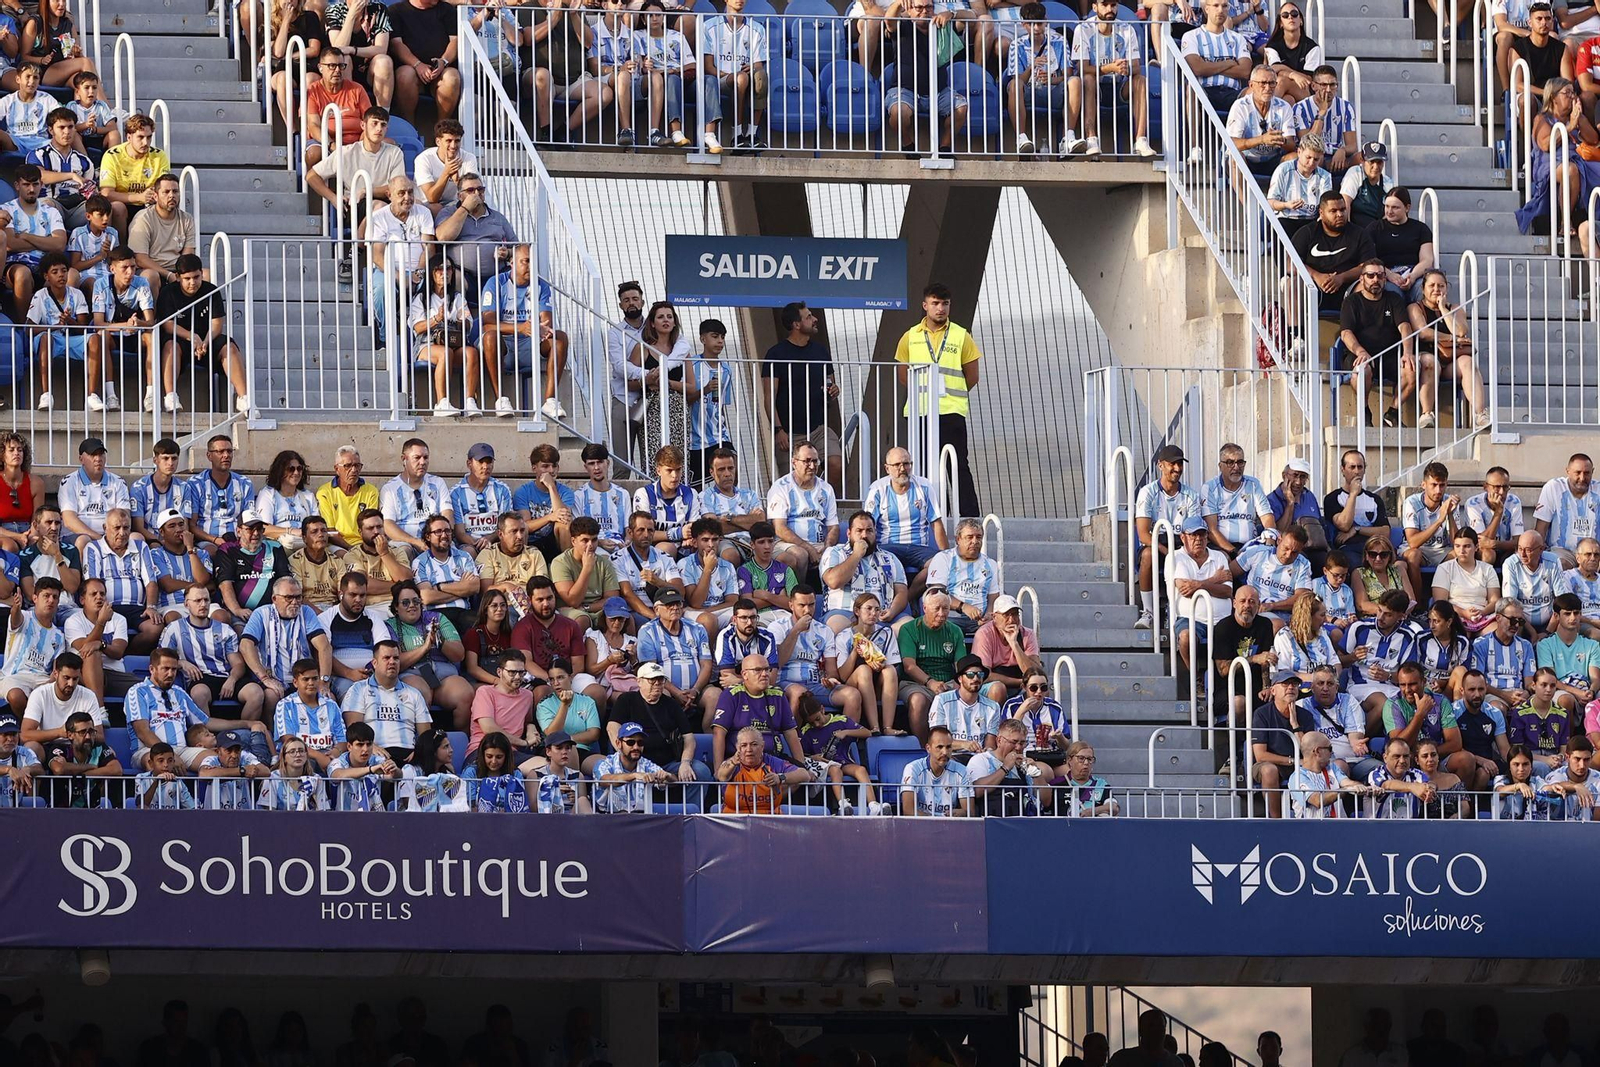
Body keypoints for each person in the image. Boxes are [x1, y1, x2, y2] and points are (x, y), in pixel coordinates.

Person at [896, 284, 983, 518]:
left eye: (945, 303)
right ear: (925, 305)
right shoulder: (910, 337)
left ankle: (968, 516)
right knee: (925, 467)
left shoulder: (961, 335)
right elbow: (903, 375)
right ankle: (935, 514)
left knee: (957, 465)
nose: (940, 308)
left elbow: (971, 376)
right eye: (935, 303)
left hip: (951, 410)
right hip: (920, 412)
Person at [127, 647, 267, 771]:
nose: (170, 674)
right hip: (149, 750)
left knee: (218, 760)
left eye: (174, 669)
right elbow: (142, 731)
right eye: (165, 669)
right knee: (160, 765)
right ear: (152, 669)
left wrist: (246, 723)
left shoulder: (179, 692)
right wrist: (169, 755)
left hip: (182, 751)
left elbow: (205, 722)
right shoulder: (138, 692)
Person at [155, 253, 250, 413]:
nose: (193, 282)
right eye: (187, 278)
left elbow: (217, 323)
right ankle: (170, 396)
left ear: (202, 274)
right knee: (170, 345)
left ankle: (244, 398)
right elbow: (168, 325)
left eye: (196, 277)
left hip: (207, 341)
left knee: (229, 346)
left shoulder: (211, 290)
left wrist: (205, 341)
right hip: (181, 341)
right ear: (178, 277)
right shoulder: (168, 292)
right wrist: (191, 336)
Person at [159, 584, 262, 721]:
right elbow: (160, 658)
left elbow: (237, 663)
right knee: (199, 693)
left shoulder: (225, 630)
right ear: (186, 604)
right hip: (200, 678)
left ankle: (246, 734)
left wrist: (232, 679)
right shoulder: (174, 629)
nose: (203, 604)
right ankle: (207, 737)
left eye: (206, 600)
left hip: (226, 676)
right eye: (197, 601)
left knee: (256, 693)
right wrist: (181, 663)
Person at [1341, 257, 1419, 429]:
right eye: (1370, 275)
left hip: (1390, 354)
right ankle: (1365, 412)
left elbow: (1405, 327)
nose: (1375, 279)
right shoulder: (1352, 302)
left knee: (1412, 368)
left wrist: (1407, 352)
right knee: (1362, 369)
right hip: (1360, 354)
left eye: (1380, 276)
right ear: (1362, 279)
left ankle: (1393, 413)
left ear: (1385, 278)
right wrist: (1360, 351)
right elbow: (1346, 333)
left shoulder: (1394, 299)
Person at [386, 578, 473, 729]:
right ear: (396, 607)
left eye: (416, 601)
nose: (412, 606)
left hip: (443, 673)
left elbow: (459, 655)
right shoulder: (389, 625)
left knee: (465, 694)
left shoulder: (437, 618)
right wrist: (424, 648)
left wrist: (439, 642)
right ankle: (424, 744)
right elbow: (395, 661)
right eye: (405, 603)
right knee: (419, 694)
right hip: (412, 673)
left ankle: (461, 743)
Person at [1071, 0, 1155, 156]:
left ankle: (1141, 140)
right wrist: (1109, 68)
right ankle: (1091, 139)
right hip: (1095, 87)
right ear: (1094, 7)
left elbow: (1136, 65)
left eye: (1113, 5)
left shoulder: (1126, 29)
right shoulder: (1083, 29)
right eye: (1105, 4)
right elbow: (1082, 68)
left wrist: (1126, 68)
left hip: (1119, 86)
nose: (1110, 9)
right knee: (1088, 78)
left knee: (1141, 80)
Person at [239, 577, 333, 715]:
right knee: (272, 696)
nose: (295, 602)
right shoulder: (261, 613)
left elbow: (324, 646)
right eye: (289, 598)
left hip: (304, 678)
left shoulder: (306, 612)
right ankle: (273, 735)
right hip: (273, 676)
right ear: (274, 599)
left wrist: (324, 682)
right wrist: (265, 678)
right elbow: (245, 645)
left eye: (298, 597)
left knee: (328, 698)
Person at [1132, 445, 1202, 629]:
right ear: (1160, 465)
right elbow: (1143, 534)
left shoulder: (1191, 495)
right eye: (1172, 464)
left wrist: (1180, 551)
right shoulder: (1147, 492)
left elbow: (1194, 530)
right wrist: (1168, 551)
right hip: (1157, 542)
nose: (1177, 468)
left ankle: (1179, 611)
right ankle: (1148, 612)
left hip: (1182, 542)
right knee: (1148, 556)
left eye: (1180, 463)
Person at [863, 447, 948, 589]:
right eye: (897, 465)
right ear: (887, 468)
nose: (902, 468)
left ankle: (908, 598)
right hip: (888, 546)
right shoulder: (877, 490)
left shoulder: (925, 486)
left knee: (940, 565)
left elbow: (936, 523)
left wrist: (946, 555)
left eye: (906, 464)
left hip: (918, 547)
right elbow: (868, 525)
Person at [337, 639, 429, 766]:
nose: (392, 662)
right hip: (374, 753)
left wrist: (419, 751)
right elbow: (354, 729)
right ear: (374, 663)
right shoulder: (359, 689)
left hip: (408, 755)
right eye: (386, 658)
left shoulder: (414, 694)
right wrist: (371, 747)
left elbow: (426, 736)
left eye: (396, 658)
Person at [1006, 5, 1081, 157]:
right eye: (1031, 24)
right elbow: (1018, 80)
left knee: (1075, 81)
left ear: (1046, 22)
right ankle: (1021, 139)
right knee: (1013, 85)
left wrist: (1052, 80)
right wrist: (1031, 66)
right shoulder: (1016, 45)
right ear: (1023, 25)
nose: (1036, 29)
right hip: (1029, 92)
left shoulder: (1059, 41)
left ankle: (1068, 138)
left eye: (1039, 23)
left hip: (1053, 92)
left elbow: (1068, 74)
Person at [696, 0, 770, 152]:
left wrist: (753, 68)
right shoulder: (709, 26)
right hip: (720, 79)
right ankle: (736, 135)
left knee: (761, 76)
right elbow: (708, 67)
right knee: (741, 78)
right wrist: (730, 74)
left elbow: (758, 65)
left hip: (745, 77)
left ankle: (751, 135)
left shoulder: (757, 29)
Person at [820, 509, 908, 632]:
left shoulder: (890, 558)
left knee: (908, 627)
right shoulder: (835, 553)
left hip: (881, 613)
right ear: (849, 533)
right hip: (845, 612)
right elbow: (833, 581)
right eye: (859, 531)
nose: (864, 535)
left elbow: (902, 592)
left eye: (869, 530)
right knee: (836, 628)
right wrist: (856, 555)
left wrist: (892, 611)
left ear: (875, 533)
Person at [1290, 190, 1374, 318]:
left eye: (1343, 210)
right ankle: (1295, 334)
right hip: (1314, 287)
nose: (1340, 214)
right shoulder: (1307, 233)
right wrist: (1316, 276)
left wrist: (1341, 278)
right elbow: (1290, 263)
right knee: (1293, 284)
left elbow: (1367, 266)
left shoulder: (1360, 234)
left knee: (1369, 283)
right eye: (1333, 211)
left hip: (1348, 287)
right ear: (1321, 213)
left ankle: (1365, 335)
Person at [709, 654, 804, 767]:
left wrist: (801, 766)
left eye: (767, 669)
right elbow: (718, 733)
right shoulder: (731, 695)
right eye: (758, 670)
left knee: (800, 776)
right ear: (745, 675)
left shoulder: (778, 695)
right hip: (741, 761)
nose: (764, 674)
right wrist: (719, 770)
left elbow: (791, 733)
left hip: (774, 759)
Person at [798, 691, 882, 813]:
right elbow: (801, 755)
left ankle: (874, 805)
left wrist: (846, 732)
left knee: (861, 770)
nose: (817, 724)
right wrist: (814, 757)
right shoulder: (806, 731)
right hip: (826, 766)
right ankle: (843, 804)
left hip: (844, 763)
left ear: (822, 710)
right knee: (835, 770)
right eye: (812, 722)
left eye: (817, 719)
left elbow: (867, 733)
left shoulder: (841, 720)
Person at [510, 575, 587, 702]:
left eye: (549, 598)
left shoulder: (571, 625)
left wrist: (565, 680)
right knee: (543, 692)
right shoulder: (522, 627)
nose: (546, 604)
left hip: (570, 677)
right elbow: (526, 662)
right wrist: (553, 681)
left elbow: (578, 664)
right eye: (540, 600)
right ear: (530, 600)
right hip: (540, 678)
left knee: (597, 692)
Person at [632, 300, 692, 460]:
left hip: (677, 408)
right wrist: (647, 380)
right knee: (653, 456)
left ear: (674, 322)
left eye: (669, 317)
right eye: (660, 317)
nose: (666, 320)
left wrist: (668, 383)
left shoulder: (682, 350)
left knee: (678, 456)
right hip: (651, 408)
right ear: (652, 323)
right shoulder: (642, 348)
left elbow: (692, 387)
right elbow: (628, 382)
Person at [767, 441, 840, 574]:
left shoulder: (826, 488)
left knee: (840, 556)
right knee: (800, 555)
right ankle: (798, 594)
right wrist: (808, 548)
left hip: (820, 544)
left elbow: (833, 526)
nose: (812, 466)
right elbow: (779, 528)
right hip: (786, 544)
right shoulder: (781, 487)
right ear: (794, 462)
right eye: (807, 461)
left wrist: (828, 547)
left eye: (815, 461)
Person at [213, 509, 292, 625]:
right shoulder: (228, 550)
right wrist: (237, 610)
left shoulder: (275, 547)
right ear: (239, 531)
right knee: (245, 637)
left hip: (274, 613)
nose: (256, 533)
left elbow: (285, 581)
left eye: (259, 529)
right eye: (250, 529)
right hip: (242, 615)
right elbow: (225, 585)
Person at [1211, 585, 1276, 725]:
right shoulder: (1223, 627)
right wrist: (1253, 659)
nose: (1247, 605)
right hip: (1228, 689)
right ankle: (1236, 744)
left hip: (1256, 687)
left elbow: (1265, 659)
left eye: (1252, 602)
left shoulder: (1265, 624)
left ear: (1258, 605)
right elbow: (1224, 670)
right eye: (1243, 601)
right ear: (1234, 603)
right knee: (1240, 702)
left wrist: (1266, 688)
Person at [97, 113, 170, 237]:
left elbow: (164, 187)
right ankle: (121, 251)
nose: (145, 142)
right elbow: (106, 193)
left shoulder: (159, 155)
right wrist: (139, 197)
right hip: (124, 204)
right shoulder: (112, 155)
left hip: (149, 205)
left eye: (149, 137)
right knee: (117, 208)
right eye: (140, 137)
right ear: (129, 137)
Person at [18, 651, 101, 760]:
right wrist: (59, 732)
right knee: (31, 747)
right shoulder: (40, 694)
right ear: (55, 674)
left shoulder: (88, 695)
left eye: (75, 679)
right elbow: (25, 735)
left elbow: (100, 736)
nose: (71, 684)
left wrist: (78, 735)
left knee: (109, 752)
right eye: (66, 678)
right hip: (46, 746)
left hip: (78, 746)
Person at [379, 438, 452, 560]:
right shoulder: (390, 489)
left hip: (435, 538)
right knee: (404, 550)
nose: (422, 462)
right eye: (417, 458)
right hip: (405, 543)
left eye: (426, 457)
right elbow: (387, 524)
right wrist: (414, 541)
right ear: (404, 459)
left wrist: (440, 537)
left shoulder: (438, 483)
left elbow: (448, 514)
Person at [716, 723, 814, 813]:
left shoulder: (771, 761)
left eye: (754, 744)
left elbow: (804, 774)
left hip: (769, 819)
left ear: (762, 746)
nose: (749, 749)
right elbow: (721, 777)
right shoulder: (733, 762)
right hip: (734, 819)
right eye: (744, 745)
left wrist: (780, 778)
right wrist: (733, 763)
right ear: (738, 748)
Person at [127, 173, 195, 302]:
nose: (171, 196)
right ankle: (154, 321)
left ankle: (197, 321)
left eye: (175, 191)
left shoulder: (187, 219)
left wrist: (182, 274)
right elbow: (140, 259)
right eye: (166, 192)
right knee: (150, 276)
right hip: (150, 269)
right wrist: (168, 274)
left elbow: (188, 256)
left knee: (205, 274)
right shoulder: (143, 219)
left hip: (177, 270)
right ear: (155, 196)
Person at [411, 513, 480, 634]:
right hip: (436, 614)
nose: (444, 535)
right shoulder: (420, 562)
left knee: (476, 629)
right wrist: (462, 590)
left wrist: (439, 587)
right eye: (438, 531)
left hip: (464, 612)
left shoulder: (464, 557)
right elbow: (426, 597)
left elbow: (474, 587)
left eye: (447, 531)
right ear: (428, 537)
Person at [1227, 66, 1297, 187]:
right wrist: (1262, 139)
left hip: (1274, 158)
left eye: (1272, 83)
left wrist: (1280, 140)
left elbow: (1291, 144)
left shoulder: (1284, 106)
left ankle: (1281, 202)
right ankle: (1245, 205)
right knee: (1235, 158)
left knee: (1295, 158)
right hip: (1248, 158)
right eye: (1263, 83)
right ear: (1251, 85)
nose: (1268, 88)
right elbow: (1232, 143)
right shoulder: (1240, 106)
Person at [1179, 0, 1252, 114]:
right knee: (1191, 90)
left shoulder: (1238, 38)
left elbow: (1245, 71)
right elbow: (1198, 69)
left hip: (1232, 91)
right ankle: (1194, 132)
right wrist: (1229, 63)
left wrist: (1208, 66)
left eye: (1224, 6)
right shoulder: (1191, 36)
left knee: (1254, 91)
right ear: (1206, 9)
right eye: (1216, 6)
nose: (1220, 10)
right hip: (1204, 91)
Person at [468, 645, 538, 763]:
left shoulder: (527, 695)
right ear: (499, 672)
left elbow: (528, 721)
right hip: (483, 750)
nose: (517, 677)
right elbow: (489, 729)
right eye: (512, 672)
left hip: (511, 753)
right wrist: (524, 743)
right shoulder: (485, 692)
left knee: (544, 768)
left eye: (521, 673)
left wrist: (531, 728)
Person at [534, 657, 605, 771]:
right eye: (552, 679)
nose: (556, 683)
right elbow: (552, 734)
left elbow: (593, 734)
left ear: (571, 677)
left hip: (583, 750)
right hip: (554, 752)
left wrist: (568, 740)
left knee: (606, 766)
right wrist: (564, 705)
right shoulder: (544, 705)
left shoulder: (587, 701)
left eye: (560, 677)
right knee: (568, 753)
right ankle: (573, 787)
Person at [550, 515, 622, 626]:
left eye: (594, 540)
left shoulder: (604, 563)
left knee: (626, 618)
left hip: (596, 608)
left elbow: (612, 599)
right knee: (582, 619)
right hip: (569, 610)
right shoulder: (560, 563)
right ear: (573, 541)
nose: (591, 545)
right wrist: (586, 569)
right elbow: (573, 601)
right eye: (585, 540)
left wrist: (587, 608)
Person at [475, 511, 546, 621]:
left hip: (532, 606)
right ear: (500, 534)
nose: (520, 536)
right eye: (514, 531)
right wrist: (505, 586)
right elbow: (485, 592)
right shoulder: (488, 554)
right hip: (503, 608)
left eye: (522, 531)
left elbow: (543, 587)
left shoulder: (534, 554)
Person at [1323, 449, 1391, 560]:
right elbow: (1344, 525)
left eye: (1360, 467)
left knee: (1399, 565)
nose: (1356, 471)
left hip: (1375, 549)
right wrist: (1353, 494)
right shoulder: (1333, 498)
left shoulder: (1374, 499)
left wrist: (1357, 529)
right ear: (1343, 470)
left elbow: (1385, 532)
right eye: (1352, 467)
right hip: (1348, 549)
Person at [593, 720, 673, 813]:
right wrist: (634, 775)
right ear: (618, 743)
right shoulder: (605, 763)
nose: (636, 747)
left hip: (638, 818)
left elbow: (673, 781)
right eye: (630, 742)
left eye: (640, 743)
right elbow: (605, 780)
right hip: (607, 818)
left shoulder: (646, 764)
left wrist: (668, 776)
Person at [1534, 453, 1598, 569]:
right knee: (1558, 565)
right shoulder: (1554, 488)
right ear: (1568, 471)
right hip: (1563, 551)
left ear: (1592, 471)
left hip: (1594, 553)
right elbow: (1541, 529)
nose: (1582, 478)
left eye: (1587, 473)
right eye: (1577, 473)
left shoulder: (1598, 490)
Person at [514, 441, 577, 559]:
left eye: (554, 466)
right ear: (534, 468)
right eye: (545, 466)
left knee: (564, 524)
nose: (551, 470)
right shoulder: (523, 492)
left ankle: (568, 565)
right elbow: (525, 525)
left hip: (555, 540)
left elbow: (564, 517)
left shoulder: (565, 492)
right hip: (531, 540)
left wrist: (551, 487)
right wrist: (550, 517)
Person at [450, 442, 513, 553]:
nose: (485, 466)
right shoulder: (456, 493)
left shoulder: (502, 490)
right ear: (469, 463)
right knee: (469, 552)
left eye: (489, 462)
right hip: (469, 544)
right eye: (480, 462)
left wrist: (489, 539)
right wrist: (478, 544)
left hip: (496, 541)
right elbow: (460, 533)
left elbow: (506, 525)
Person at [898, 725, 973, 816]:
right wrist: (936, 823)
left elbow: (971, 813)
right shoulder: (912, 769)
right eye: (939, 747)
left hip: (951, 827)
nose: (945, 752)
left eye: (948, 747)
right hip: (920, 826)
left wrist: (963, 813)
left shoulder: (962, 771)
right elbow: (908, 811)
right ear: (928, 748)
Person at [572, 442, 632, 553]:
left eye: (600, 462)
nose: (596, 468)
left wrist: (628, 542)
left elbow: (628, 529)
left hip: (619, 547)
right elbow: (577, 532)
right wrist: (599, 541)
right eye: (591, 464)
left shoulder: (623, 494)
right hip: (592, 546)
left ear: (608, 463)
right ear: (586, 467)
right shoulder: (579, 496)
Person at [317, 446, 380, 550]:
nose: (354, 470)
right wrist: (351, 549)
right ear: (337, 469)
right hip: (336, 545)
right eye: (348, 466)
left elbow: (371, 527)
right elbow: (330, 531)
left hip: (365, 544)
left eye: (357, 465)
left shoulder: (371, 491)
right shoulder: (325, 492)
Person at [1503, 530, 1564, 634]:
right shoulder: (1511, 564)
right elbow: (1511, 602)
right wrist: (1533, 633)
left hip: (1550, 623)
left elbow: (1561, 600)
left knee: (1568, 618)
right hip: (1522, 622)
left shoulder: (1553, 561)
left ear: (1541, 549)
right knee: (1511, 615)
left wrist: (1547, 632)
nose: (1522, 554)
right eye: (1519, 549)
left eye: (1528, 550)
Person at [1465, 466, 1524, 565]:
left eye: (1505, 487)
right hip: (1482, 552)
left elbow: (1518, 541)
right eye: (1497, 487)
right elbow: (1481, 543)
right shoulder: (1473, 504)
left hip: (1505, 549)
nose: (1501, 492)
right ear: (1486, 487)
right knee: (1488, 555)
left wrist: (1495, 544)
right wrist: (1498, 512)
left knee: (1522, 554)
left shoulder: (1514, 501)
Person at [289, 516, 342, 612]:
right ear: (304, 538)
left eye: (324, 531)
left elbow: (343, 593)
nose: (321, 535)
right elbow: (298, 596)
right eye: (314, 532)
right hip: (307, 609)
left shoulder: (337, 561)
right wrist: (321, 615)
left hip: (334, 608)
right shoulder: (295, 561)